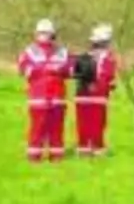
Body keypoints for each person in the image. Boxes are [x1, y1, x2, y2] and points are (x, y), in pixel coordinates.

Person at [17, 19, 71, 163]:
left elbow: (70, 70)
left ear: (53, 34)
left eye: (46, 33)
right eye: (41, 33)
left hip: (57, 98)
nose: (44, 36)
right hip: (39, 98)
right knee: (37, 129)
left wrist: (58, 70)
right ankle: (34, 157)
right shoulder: (29, 52)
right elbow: (24, 69)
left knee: (56, 130)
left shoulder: (62, 52)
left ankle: (57, 157)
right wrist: (46, 70)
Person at [73, 24, 119, 157]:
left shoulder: (85, 56)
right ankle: (97, 148)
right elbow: (108, 76)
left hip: (81, 94)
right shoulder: (108, 57)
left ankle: (83, 147)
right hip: (98, 95)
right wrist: (111, 85)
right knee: (98, 123)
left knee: (83, 122)